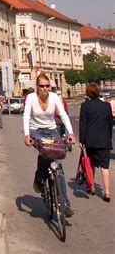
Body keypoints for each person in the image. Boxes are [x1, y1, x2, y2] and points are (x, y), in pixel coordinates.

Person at [24, 73, 76, 217]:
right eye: (42, 86)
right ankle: (39, 178)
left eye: (48, 86)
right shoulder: (31, 98)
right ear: (37, 87)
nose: (46, 89)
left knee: (58, 167)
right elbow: (26, 116)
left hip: (52, 130)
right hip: (36, 131)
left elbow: (63, 115)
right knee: (45, 152)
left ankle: (65, 205)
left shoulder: (53, 97)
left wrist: (71, 133)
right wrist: (27, 135)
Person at [79, 82, 113, 202]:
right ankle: (107, 193)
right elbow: (110, 124)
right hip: (104, 141)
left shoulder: (85, 106)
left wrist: (82, 141)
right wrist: (108, 136)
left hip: (90, 141)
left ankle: (91, 186)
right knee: (105, 167)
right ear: (98, 92)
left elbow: (82, 124)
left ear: (88, 93)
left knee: (91, 164)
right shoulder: (106, 106)